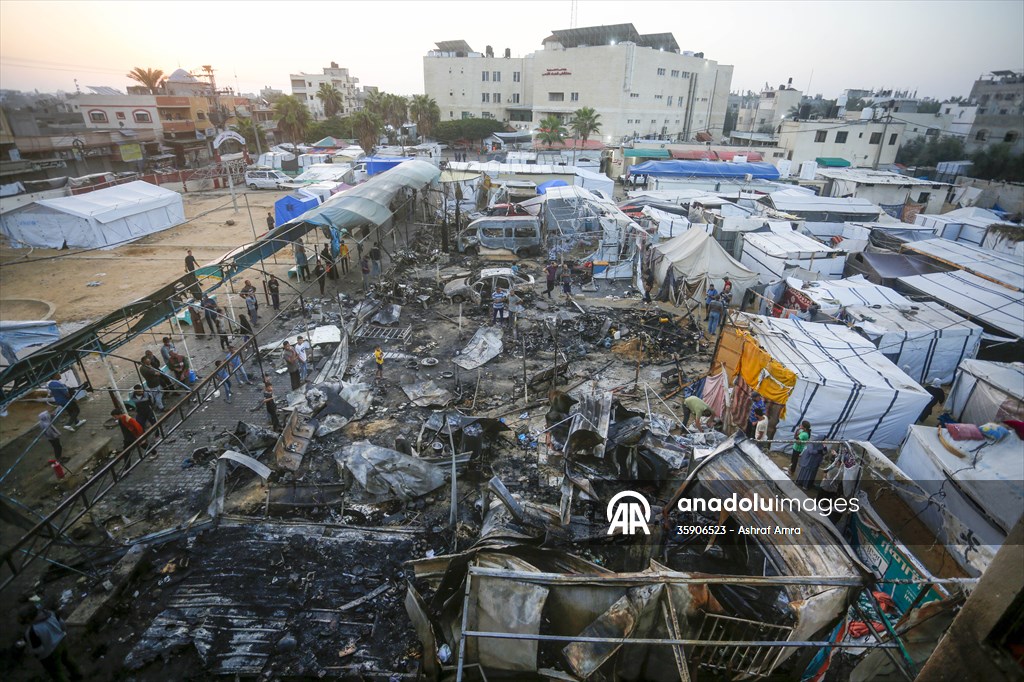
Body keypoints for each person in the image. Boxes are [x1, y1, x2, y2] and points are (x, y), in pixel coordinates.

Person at [20, 603, 83, 681]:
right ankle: (78, 674)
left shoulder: (31, 631)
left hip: (50, 653)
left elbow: (39, 650)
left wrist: (31, 651)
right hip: (62, 642)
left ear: (28, 619)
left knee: (57, 673)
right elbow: (63, 626)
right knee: (68, 659)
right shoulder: (50, 614)